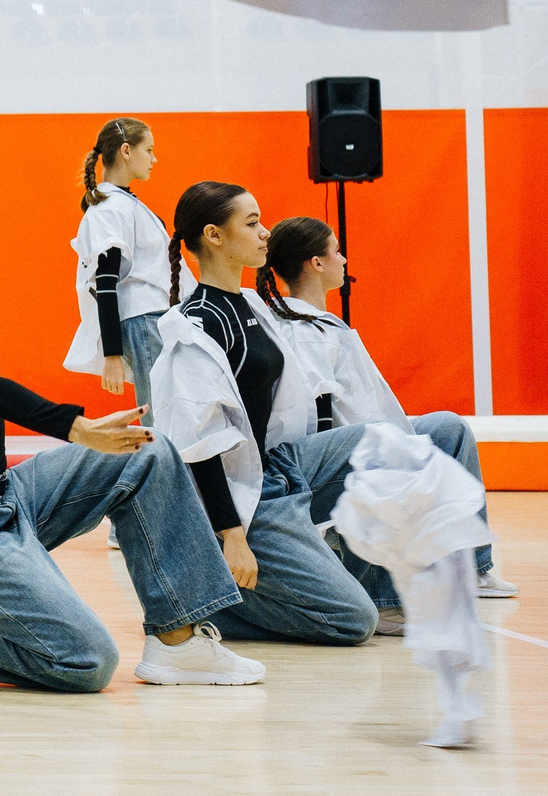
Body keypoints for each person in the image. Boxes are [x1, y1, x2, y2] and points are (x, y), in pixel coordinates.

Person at [0, 168, 263, 691]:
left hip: (3, 499)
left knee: (146, 451)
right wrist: (77, 428)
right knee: (86, 662)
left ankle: (179, 644)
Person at [148, 182, 380, 648]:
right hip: (244, 495)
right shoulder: (195, 325)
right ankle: (206, 596)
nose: (265, 233)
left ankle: (375, 586)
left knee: (387, 445)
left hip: (281, 464)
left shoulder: (252, 303)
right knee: (353, 621)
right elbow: (200, 443)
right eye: (252, 223)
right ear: (214, 236)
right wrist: (233, 536)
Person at [253, 213, 516, 607]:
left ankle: (473, 567)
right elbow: (318, 413)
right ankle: (384, 595)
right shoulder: (301, 328)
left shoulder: (320, 323)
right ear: (317, 263)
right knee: (393, 457)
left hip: (367, 430)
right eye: (336, 252)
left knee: (449, 428)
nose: (344, 261)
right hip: (332, 452)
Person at [63, 118, 171, 401]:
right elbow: (105, 282)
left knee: (169, 415)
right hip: (144, 319)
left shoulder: (124, 204)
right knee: (160, 419)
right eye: (148, 150)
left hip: (154, 318)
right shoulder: (109, 209)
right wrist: (111, 354)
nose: (154, 159)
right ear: (126, 150)